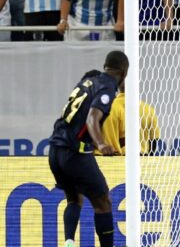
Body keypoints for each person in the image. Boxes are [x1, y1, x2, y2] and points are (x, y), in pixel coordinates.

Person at [48, 51, 129, 247]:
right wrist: (100, 143)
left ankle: (68, 241)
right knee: (103, 203)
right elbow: (92, 117)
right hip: (75, 153)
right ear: (124, 72)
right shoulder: (108, 89)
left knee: (74, 198)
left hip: (55, 150)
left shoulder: (89, 80)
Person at [99, 81, 160, 155]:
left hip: (119, 157)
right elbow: (154, 139)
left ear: (118, 88)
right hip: (142, 157)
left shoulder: (110, 107)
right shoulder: (148, 109)